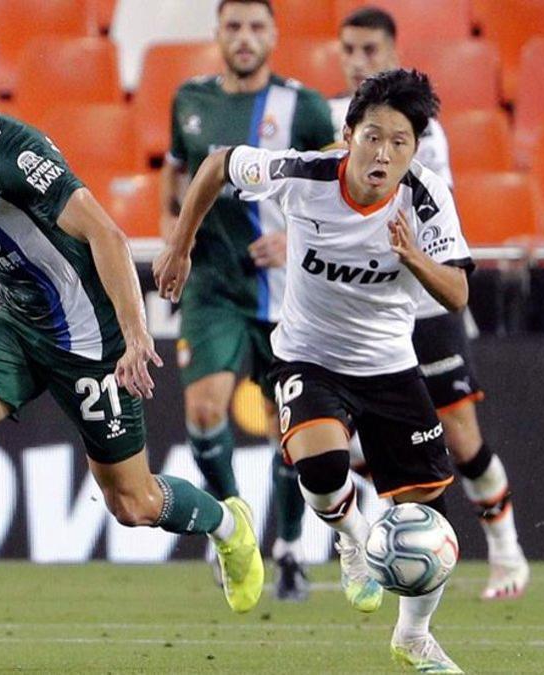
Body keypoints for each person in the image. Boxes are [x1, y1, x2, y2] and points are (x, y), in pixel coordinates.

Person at [0, 31, 264, 664]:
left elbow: (104, 231)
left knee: (132, 504)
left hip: (90, 340)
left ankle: (227, 524)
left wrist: (136, 334)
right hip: (19, 326)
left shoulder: (18, 156)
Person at [155, 68, 470, 673]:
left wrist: (413, 257)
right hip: (308, 355)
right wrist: (179, 244)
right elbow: (219, 161)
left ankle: (414, 635)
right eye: (372, 136)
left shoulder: (425, 198)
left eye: (399, 142)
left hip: (389, 365)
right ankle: (354, 538)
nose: (383, 153)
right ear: (348, 134)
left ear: (415, 149)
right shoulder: (306, 175)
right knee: (321, 468)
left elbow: (456, 291)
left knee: (430, 520)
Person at [316, 6, 527, 601]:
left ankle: (508, 552)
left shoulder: (425, 131)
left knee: (461, 437)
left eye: (370, 50)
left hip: (424, 306)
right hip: (360, 305)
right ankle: (371, 543)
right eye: (349, 49)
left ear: (391, 52)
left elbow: (434, 213)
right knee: (348, 439)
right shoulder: (329, 119)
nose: (358, 61)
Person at [161, 0, 335, 601]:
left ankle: (289, 548)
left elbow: (340, 185)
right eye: (233, 26)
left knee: (292, 430)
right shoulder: (190, 100)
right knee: (206, 410)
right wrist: (173, 235)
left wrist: (294, 236)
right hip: (212, 284)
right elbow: (178, 173)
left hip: (287, 294)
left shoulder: (304, 108)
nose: (243, 37)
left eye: (256, 26)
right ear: (217, 33)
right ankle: (233, 529)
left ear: (274, 36)